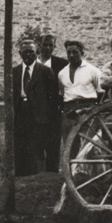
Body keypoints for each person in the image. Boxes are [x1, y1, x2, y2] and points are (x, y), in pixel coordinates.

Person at [12, 38, 60, 176]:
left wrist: (49, 118)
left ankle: (38, 177)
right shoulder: (14, 72)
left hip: (39, 115)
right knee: (21, 146)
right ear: (20, 53)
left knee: (37, 147)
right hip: (21, 113)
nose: (28, 55)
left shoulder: (45, 71)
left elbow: (52, 97)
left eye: (31, 52)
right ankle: (21, 177)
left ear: (37, 52)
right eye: (25, 52)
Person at [56, 40, 102, 147]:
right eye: (69, 52)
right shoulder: (62, 73)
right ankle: (70, 164)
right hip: (69, 111)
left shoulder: (93, 71)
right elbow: (62, 93)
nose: (71, 55)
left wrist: (92, 109)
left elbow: (100, 92)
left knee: (89, 145)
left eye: (75, 52)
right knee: (69, 144)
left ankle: (89, 164)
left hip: (87, 109)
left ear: (82, 53)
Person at [38, 33, 69, 172]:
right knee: (36, 144)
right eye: (45, 44)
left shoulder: (61, 64)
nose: (48, 48)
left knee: (53, 144)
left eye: (51, 45)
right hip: (36, 111)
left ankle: (52, 173)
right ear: (39, 45)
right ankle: (37, 174)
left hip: (53, 111)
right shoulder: (33, 62)